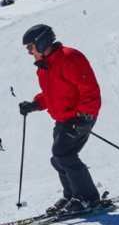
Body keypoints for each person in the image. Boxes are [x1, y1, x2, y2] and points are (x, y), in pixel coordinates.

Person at [18, 24, 105, 215]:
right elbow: (53, 93)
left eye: (30, 47)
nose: (29, 52)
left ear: (41, 43)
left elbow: (90, 90)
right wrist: (34, 104)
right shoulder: (45, 66)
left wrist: (85, 118)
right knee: (58, 158)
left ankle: (88, 198)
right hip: (63, 118)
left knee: (63, 154)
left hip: (80, 117)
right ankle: (72, 195)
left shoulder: (70, 58)